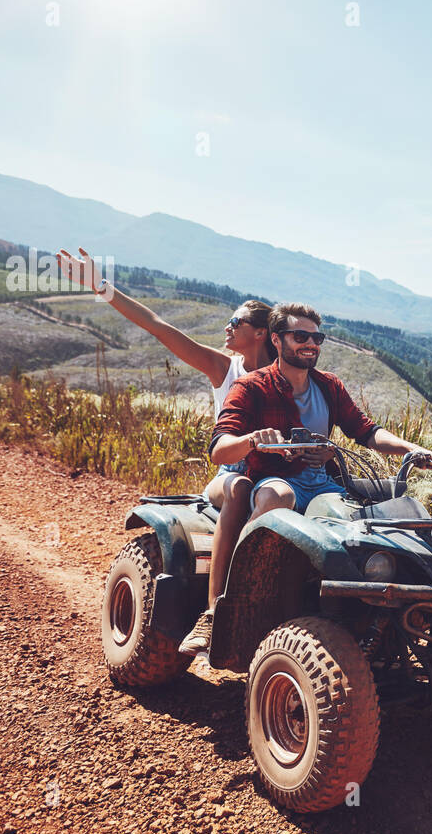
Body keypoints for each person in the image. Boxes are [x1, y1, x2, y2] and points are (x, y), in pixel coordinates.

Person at [177, 300, 432, 654]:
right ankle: (232, 599)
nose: (311, 344)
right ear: (276, 339)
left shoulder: (329, 386)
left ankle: (379, 609)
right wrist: (250, 440)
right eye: (300, 336)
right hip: (276, 479)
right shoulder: (251, 387)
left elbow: (365, 431)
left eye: (317, 338)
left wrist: (412, 448)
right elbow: (220, 447)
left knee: (373, 519)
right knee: (275, 498)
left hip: (323, 484)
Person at [54, 247, 276, 641]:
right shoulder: (223, 368)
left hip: (276, 474)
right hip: (233, 473)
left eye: (234, 321)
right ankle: (215, 612)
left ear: (259, 332)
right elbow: (158, 326)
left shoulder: (284, 375)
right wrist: (101, 287)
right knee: (241, 489)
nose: (226, 327)